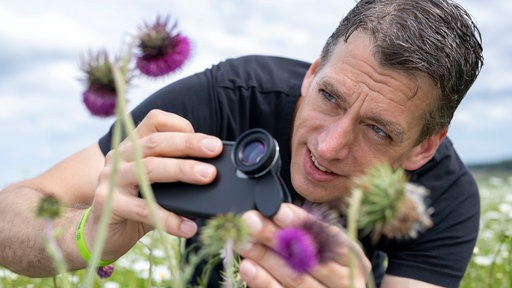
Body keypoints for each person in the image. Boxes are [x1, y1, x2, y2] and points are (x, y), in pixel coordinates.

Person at [0, 0, 483, 287]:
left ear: (424, 147)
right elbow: (11, 212)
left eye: (379, 130)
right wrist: (89, 231)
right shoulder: (229, 97)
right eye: (330, 97)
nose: (331, 146)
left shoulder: (445, 197)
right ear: (312, 74)